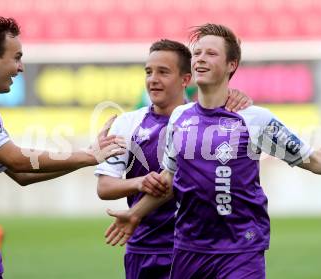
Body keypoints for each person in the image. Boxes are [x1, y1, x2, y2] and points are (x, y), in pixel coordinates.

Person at [104, 23, 321, 279]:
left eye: (210, 53)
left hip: (241, 249)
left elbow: (313, 160)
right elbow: (170, 180)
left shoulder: (255, 119)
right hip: (188, 249)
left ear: (231, 65)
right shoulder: (180, 120)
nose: (200, 59)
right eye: (196, 53)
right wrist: (135, 214)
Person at [0, 16, 125, 279]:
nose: (21, 68)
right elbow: (17, 160)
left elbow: (22, 175)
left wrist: (87, 158)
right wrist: (86, 155)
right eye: (16, 57)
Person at [95, 39, 252, 279]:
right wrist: (138, 182)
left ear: (185, 79)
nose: (153, 79)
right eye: (148, 72)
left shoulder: (211, 122)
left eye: (163, 72)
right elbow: (105, 187)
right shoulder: (128, 124)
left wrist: (237, 97)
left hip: (198, 249)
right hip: (145, 248)